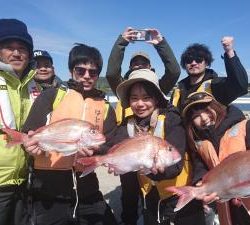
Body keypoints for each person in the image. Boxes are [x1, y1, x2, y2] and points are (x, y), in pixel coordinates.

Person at [21, 43, 118, 225]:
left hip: (87, 186)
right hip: (48, 187)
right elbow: (29, 133)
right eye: (81, 71)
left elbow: (110, 144)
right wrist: (30, 147)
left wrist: (95, 150)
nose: (87, 76)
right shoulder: (51, 95)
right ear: (71, 70)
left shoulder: (105, 107)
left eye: (93, 72)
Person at [113, 68, 207, 225]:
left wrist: (154, 171)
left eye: (146, 97)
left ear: (156, 99)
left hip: (181, 193)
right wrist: (110, 160)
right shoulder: (127, 125)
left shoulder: (172, 118)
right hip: (150, 196)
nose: (140, 104)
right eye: (134, 98)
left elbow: (176, 164)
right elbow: (115, 148)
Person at [182, 91, 250, 225]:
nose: (203, 117)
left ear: (216, 106)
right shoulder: (198, 143)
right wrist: (199, 184)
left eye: (206, 110)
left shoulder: (244, 126)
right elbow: (200, 168)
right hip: (224, 200)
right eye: (196, 116)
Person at [0, 19, 41, 225]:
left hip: (24, 180)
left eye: (22, 48)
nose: (16, 53)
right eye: (9, 47)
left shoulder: (33, 86)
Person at [106, 27, 180, 124]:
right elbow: (112, 74)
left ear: (150, 66)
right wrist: (121, 42)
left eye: (144, 63)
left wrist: (161, 44)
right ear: (130, 67)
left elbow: (174, 72)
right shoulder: (123, 87)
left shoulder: (158, 87)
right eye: (136, 63)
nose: (140, 65)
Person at [171, 36, 248, 112]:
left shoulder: (217, 86)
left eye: (198, 59)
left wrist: (230, 52)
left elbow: (240, 85)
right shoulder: (179, 88)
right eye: (189, 60)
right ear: (184, 64)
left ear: (207, 63)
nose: (193, 63)